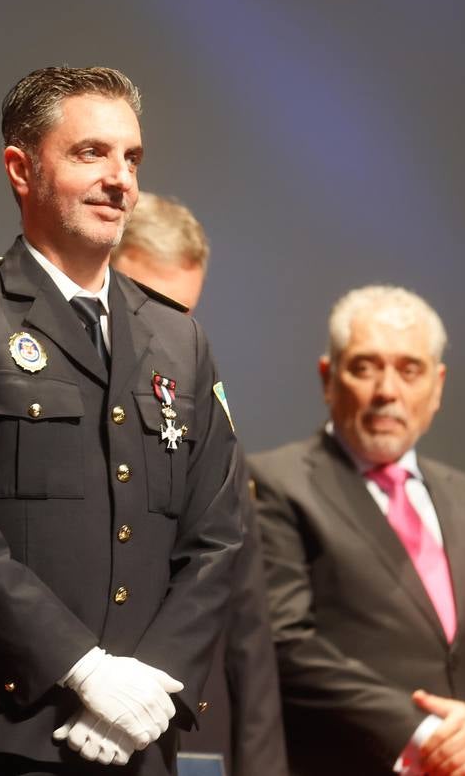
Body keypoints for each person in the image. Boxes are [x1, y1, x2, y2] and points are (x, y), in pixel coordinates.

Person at [0, 66, 241, 774]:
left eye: (131, 158)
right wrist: (82, 670)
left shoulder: (179, 339)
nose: (120, 179)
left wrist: (155, 680)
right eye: (91, 153)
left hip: (140, 737)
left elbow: (219, 537)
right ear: (21, 168)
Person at [251, 285, 465, 776]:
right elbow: (284, 640)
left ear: (437, 386)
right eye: (364, 367)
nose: (387, 391)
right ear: (328, 378)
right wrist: (425, 736)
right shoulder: (275, 483)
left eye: (409, 369)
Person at [110, 192, 285, 776]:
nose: (165, 331)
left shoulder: (202, 408)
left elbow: (249, 629)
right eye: (148, 302)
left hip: (192, 734)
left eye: (182, 313)